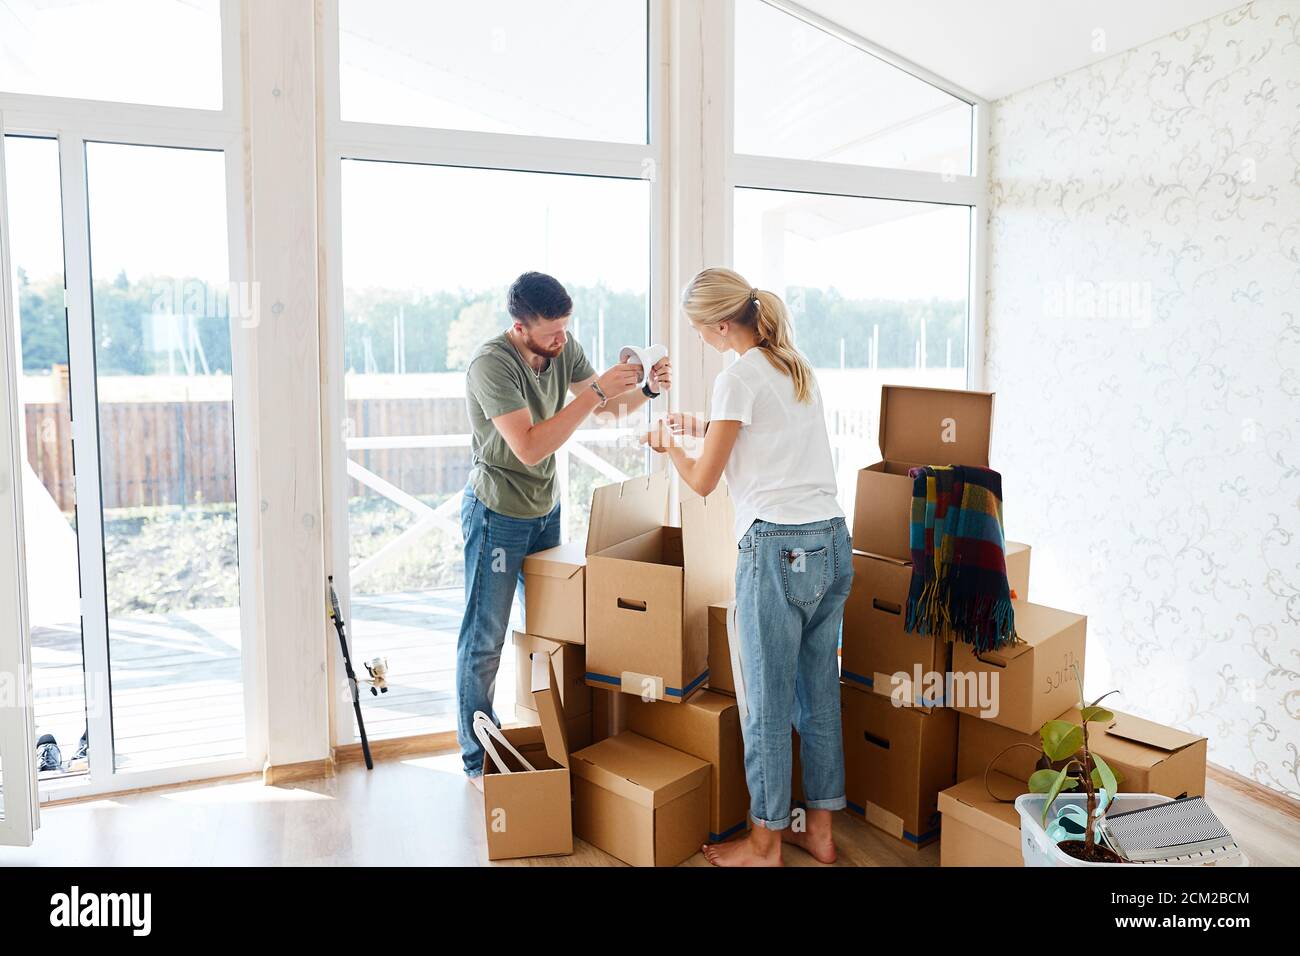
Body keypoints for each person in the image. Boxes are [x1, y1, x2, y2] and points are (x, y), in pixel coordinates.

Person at [642, 267, 851, 866]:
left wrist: (671, 447)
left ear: (716, 324)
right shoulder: (792, 364)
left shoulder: (735, 377)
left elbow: (706, 480)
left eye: (696, 328)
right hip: (832, 541)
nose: (699, 338)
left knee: (765, 700)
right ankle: (820, 833)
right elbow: (767, 438)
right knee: (818, 696)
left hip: (777, 550)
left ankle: (764, 844)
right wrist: (698, 428)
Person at [457, 271, 670, 786]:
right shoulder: (492, 365)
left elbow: (605, 411)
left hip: (544, 510)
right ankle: (475, 758)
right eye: (551, 332)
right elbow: (529, 445)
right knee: (486, 637)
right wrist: (593, 391)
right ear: (519, 327)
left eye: (565, 328)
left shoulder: (561, 347)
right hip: (497, 515)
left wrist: (646, 388)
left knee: (554, 631)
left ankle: (552, 732)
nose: (561, 340)